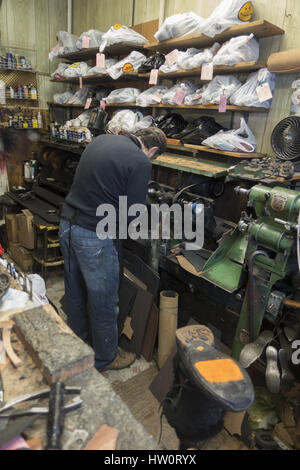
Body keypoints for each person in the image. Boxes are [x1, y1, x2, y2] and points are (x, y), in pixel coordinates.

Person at [59, 127, 167, 372]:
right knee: (104, 300)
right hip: (93, 236)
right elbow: (132, 213)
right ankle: (105, 358)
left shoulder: (101, 140)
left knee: (74, 291)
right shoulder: (140, 161)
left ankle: (79, 346)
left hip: (67, 224)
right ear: (151, 150)